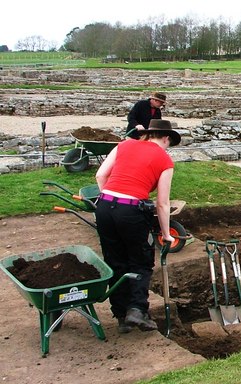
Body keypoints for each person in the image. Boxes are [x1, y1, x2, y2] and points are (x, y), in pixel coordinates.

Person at [94, 118, 180, 334]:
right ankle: (137, 309)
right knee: (141, 261)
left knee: (115, 260)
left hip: (104, 207)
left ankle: (121, 316)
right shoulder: (165, 160)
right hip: (131, 210)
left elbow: (100, 175)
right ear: (166, 138)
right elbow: (162, 203)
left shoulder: (123, 145)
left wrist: (109, 198)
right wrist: (166, 233)